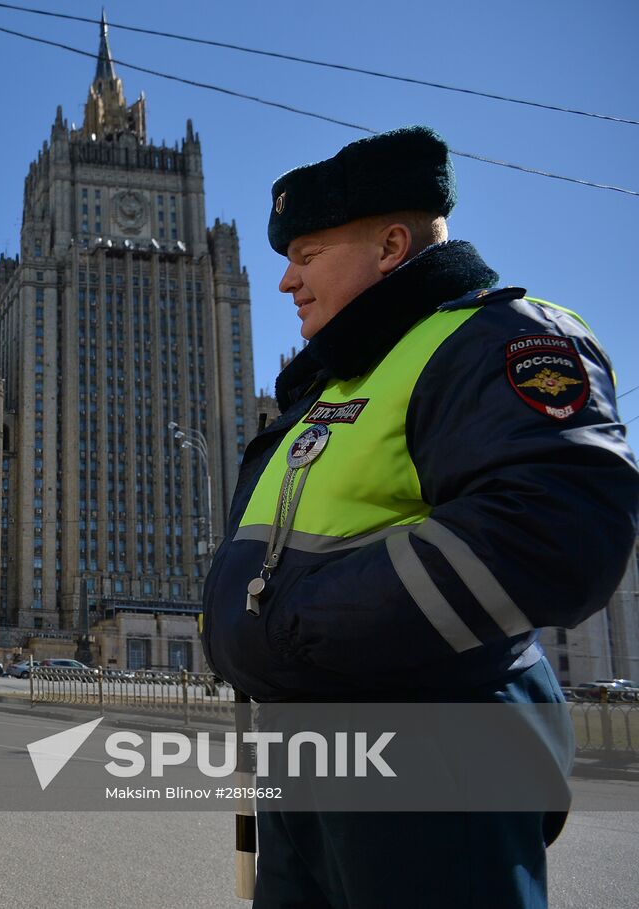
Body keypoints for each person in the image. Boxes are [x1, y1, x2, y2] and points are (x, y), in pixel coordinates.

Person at [201, 126, 639, 908]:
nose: (286, 282)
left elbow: (552, 531)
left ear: (391, 245)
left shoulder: (498, 337)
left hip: (434, 763)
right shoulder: (327, 390)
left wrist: (289, 629)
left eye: (306, 255)